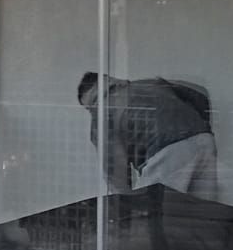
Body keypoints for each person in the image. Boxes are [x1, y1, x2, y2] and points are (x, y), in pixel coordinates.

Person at [76, 71, 219, 197]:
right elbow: (200, 94)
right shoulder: (152, 83)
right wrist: (201, 129)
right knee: (203, 211)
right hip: (203, 139)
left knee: (151, 212)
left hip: (166, 150)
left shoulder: (103, 111)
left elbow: (114, 169)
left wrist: (126, 203)